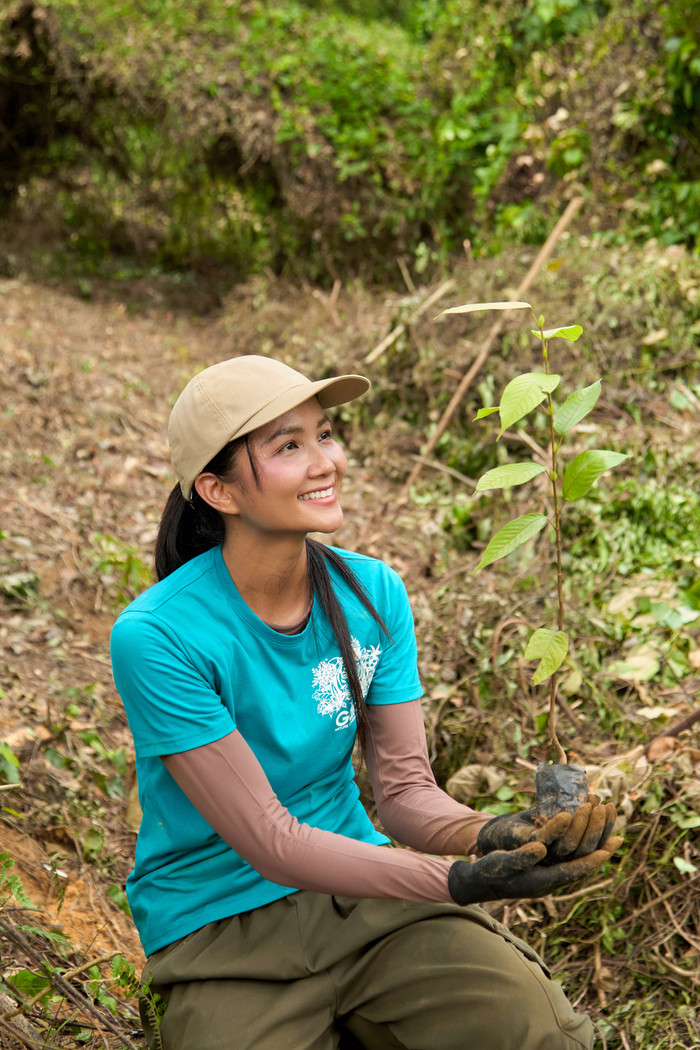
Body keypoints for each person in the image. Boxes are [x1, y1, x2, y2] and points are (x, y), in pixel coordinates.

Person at [111, 355, 621, 1050]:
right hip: (220, 928)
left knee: (541, 1032)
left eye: (325, 434)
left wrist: (495, 834)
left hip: (370, 896)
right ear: (217, 490)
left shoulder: (372, 594)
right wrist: (459, 880)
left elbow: (407, 793)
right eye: (289, 446)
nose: (326, 461)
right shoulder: (160, 636)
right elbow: (272, 842)